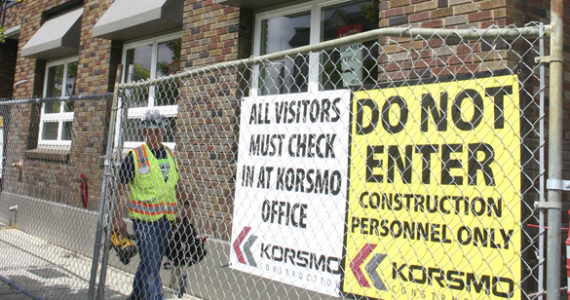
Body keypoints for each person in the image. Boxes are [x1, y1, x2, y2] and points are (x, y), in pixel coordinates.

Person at [114, 109, 181, 300]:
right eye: (150, 130)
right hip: (144, 222)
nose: (155, 134)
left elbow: (175, 184)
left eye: (158, 129)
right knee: (151, 262)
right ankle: (155, 297)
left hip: (165, 220)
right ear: (144, 131)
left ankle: (136, 296)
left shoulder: (170, 154)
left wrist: (186, 207)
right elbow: (119, 189)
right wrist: (117, 218)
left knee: (151, 263)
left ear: (163, 130)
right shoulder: (135, 156)